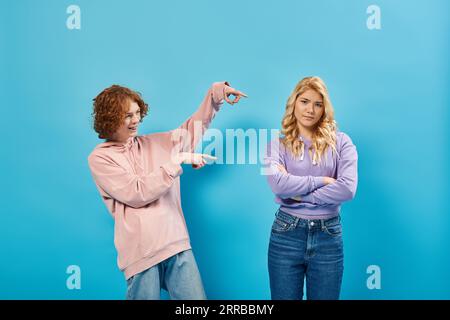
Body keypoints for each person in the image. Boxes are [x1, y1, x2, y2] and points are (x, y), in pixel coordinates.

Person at [88, 81, 247, 299]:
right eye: (127, 115)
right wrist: (178, 160)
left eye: (137, 113)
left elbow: (190, 130)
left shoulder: (154, 143)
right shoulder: (100, 158)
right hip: (141, 252)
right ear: (110, 117)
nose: (136, 120)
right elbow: (136, 192)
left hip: (176, 242)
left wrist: (215, 95)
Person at [264, 76, 358, 300]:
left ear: (324, 109)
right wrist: (321, 181)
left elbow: (347, 189)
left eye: (318, 104)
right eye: (304, 101)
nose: (310, 110)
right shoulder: (277, 145)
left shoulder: (342, 142)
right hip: (286, 233)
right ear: (293, 103)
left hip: (328, 235)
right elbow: (277, 184)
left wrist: (297, 195)